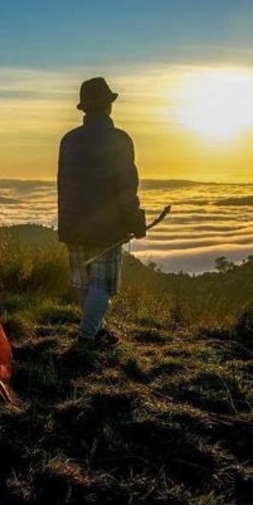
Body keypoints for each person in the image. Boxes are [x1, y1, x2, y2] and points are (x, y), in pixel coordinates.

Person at [57, 77, 146, 346]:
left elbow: (64, 185)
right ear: (109, 106)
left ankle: (96, 331)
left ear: (85, 109)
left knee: (84, 284)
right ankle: (86, 338)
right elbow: (125, 186)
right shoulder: (119, 139)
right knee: (104, 285)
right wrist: (134, 220)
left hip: (74, 224)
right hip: (107, 227)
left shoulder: (69, 140)